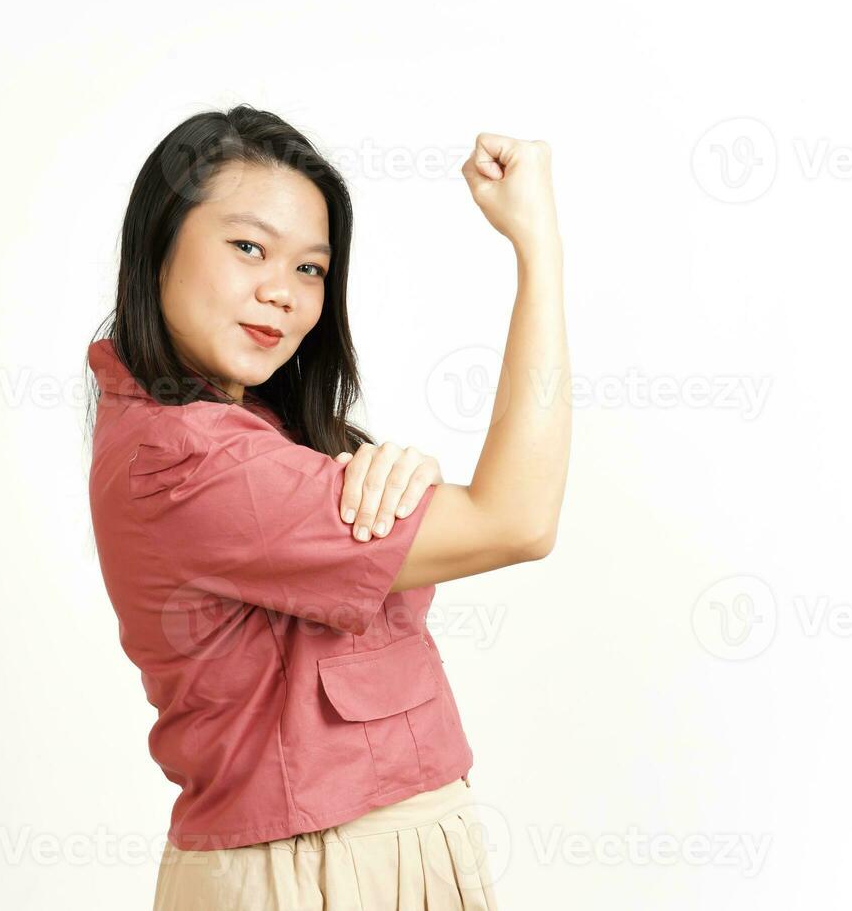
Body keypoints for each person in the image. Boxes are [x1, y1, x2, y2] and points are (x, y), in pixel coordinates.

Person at [84, 104, 570, 909]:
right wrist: (539, 247)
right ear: (158, 244)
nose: (282, 293)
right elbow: (516, 519)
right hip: (314, 873)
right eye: (248, 248)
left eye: (311, 269)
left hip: (365, 859)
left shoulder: (263, 437)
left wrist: (396, 476)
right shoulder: (190, 459)